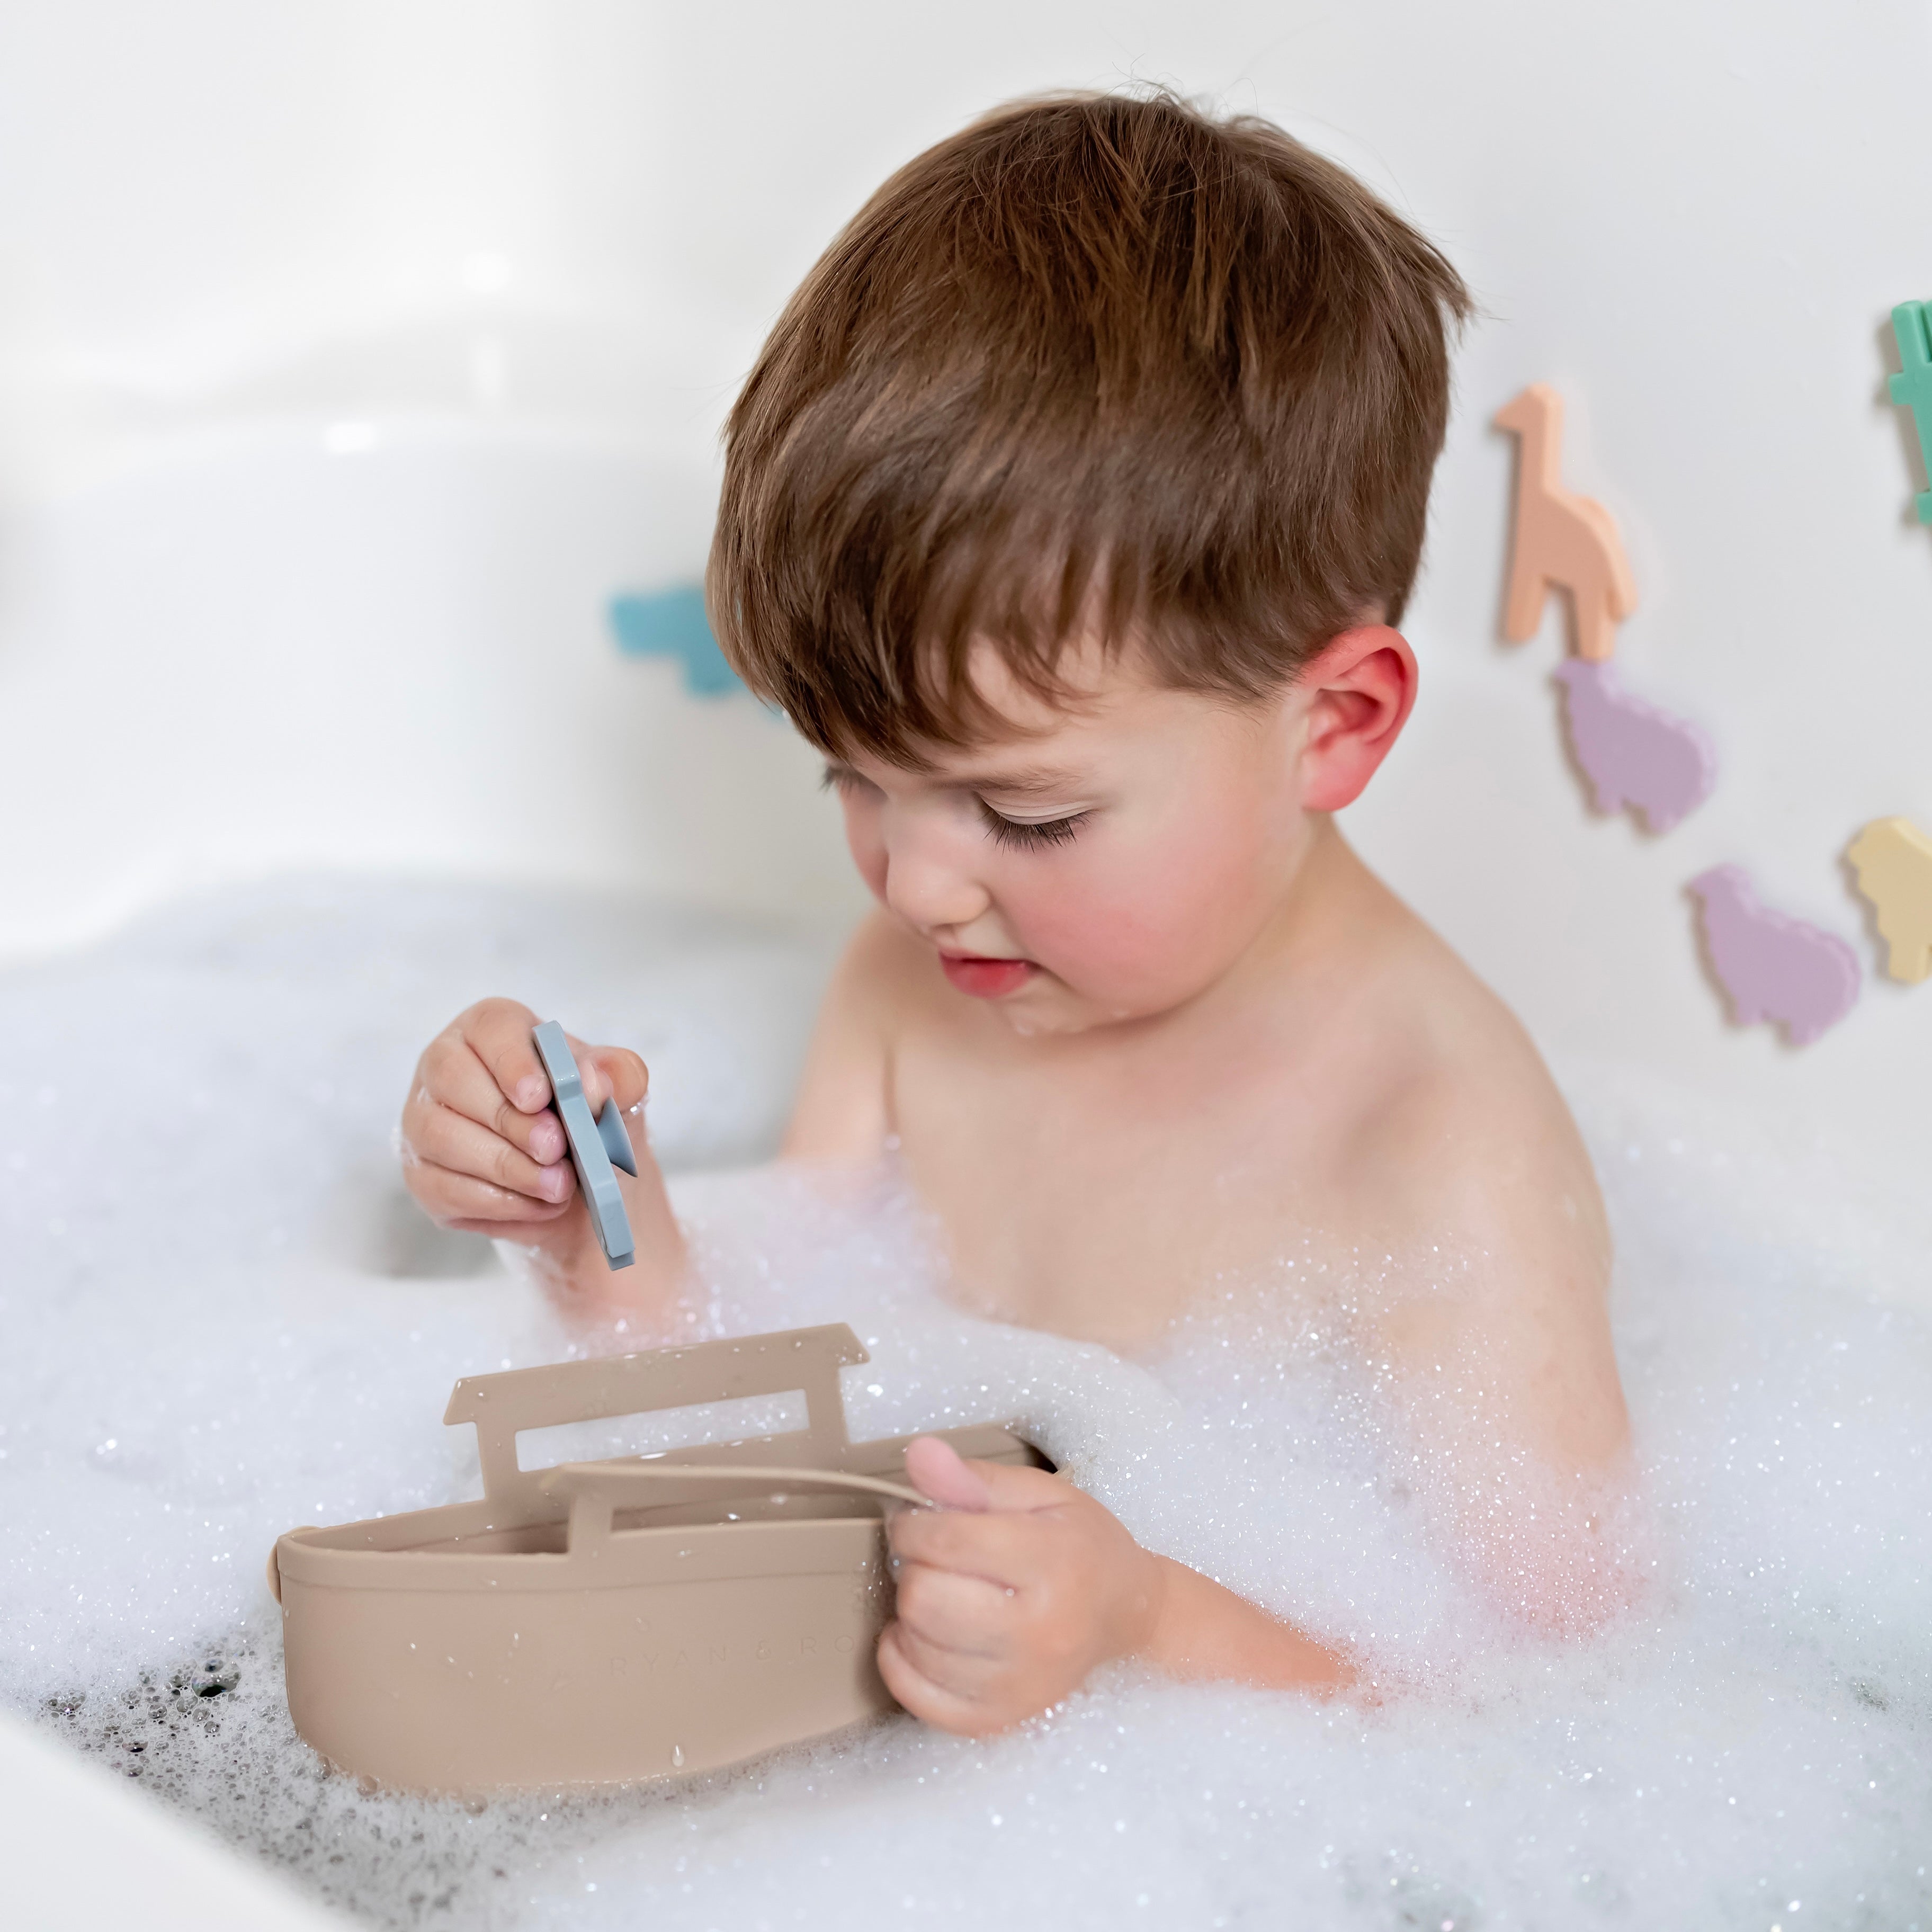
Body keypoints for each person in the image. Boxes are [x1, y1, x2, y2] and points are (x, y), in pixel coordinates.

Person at [398, 90, 1632, 1737]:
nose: (913, 881)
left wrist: (1148, 1620)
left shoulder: (1435, 1152)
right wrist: (585, 1238)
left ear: (1331, 729)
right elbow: (726, 1411)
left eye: (1028, 812)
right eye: (850, 776)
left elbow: (1562, 1728)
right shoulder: (929, 976)